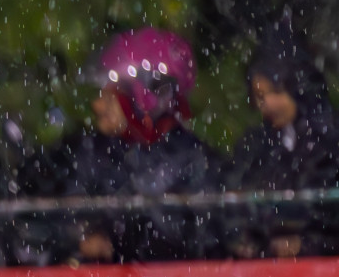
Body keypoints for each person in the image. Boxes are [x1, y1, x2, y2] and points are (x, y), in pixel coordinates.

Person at [41, 28, 218, 264]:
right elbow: (66, 210)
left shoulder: (192, 158)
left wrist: (127, 240)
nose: (97, 106)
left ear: (143, 100)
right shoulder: (93, 151)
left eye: (109, 97)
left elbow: (206, 237)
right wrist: (84, 234)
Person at [228, 31, 339, 258]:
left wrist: (306, 246)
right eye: (260, 96)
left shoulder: (330, 141)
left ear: (298, 88)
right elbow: (236, 207)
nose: (267, 103)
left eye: (276, 92)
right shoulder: (256, 146)